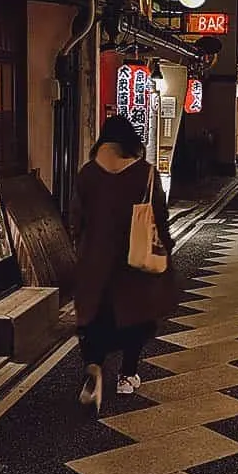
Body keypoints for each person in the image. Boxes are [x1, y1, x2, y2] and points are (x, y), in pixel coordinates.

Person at [71, 115, 176, 412]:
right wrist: (166, 247)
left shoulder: (88, 174)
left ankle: (93, 368)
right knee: (135, 319)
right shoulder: (146, 174)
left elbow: (75, 218)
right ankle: (127, 375)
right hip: (133, 264)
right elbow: (160, 217)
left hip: (95, 263)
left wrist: (83, 247)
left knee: (94, 320)